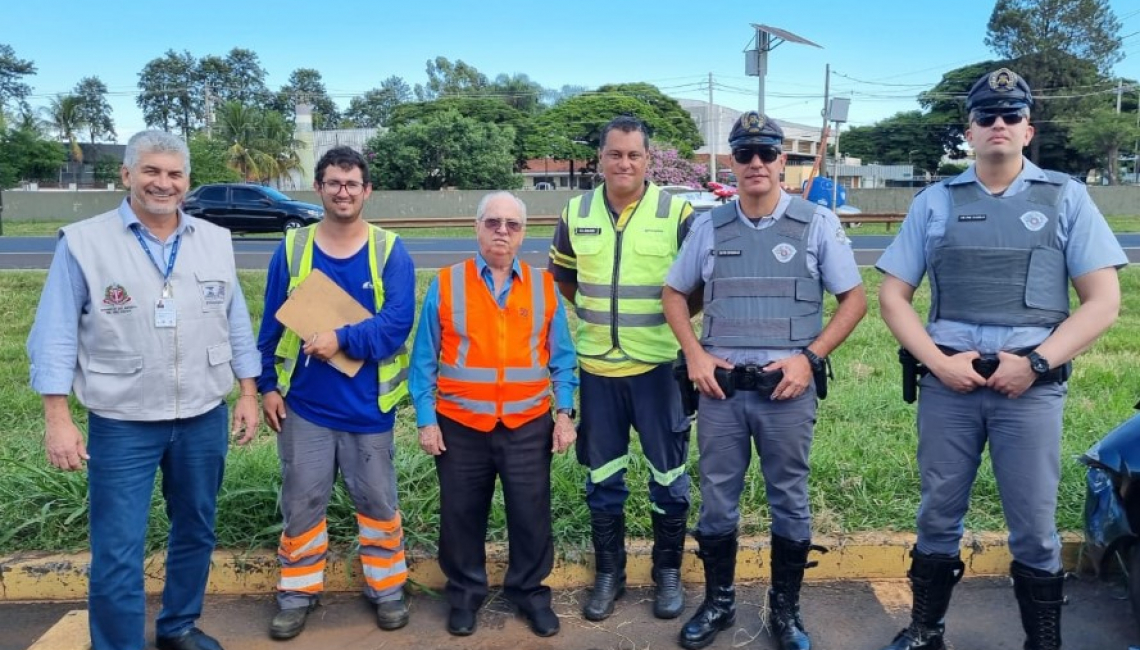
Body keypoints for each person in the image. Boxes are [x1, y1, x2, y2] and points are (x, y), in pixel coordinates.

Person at [875, 68, 1127, 650]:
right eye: (986, 116)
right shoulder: (935, 202)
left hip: (1029, 389)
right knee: (938, 512)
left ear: (1027, 129)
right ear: (969, 131)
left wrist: (1034, 363)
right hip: (950, 386)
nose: (998, 125)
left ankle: (1043, 642)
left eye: (1010, 116)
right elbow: (893, 295)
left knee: (1035, 525)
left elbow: (1103, 302)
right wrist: (938, 364)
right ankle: (925, 629)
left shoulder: (1066, 197)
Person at [27, 130, 261, 650]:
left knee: (196, 530)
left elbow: (235, 323)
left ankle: (178, 626)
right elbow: (55, 334)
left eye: (175, 174)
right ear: (127, 175)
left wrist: (247, 391)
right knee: (117, 548)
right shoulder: (84, 243)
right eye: (151, 171)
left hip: (202, 415)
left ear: (187, 182)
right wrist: (57, 417)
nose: (164, 183)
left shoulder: (214, 240)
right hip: (122, 421)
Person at [662, 111, 866, 650]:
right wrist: (695, 355)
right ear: (732, 161)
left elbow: (855, 300)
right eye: (745, 153)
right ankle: (720, 603)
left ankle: (786, 612)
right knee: (718, 502)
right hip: (722, 390)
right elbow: (674, 294)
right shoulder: (709, 224)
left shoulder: (816, 222)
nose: (756, 163)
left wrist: (810, 358)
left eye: (767, 153)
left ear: (782, 161)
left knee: (790, 501)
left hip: (786, 391)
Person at [256, 146, 416, 640]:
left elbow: (396, 326)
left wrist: (340, 340)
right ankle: (297, 593)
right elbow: (270, 322)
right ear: (319, 189)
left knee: (378, 504)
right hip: (305, 408)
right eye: (333, 183)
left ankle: (387, 589)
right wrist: (266, 385)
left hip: (369, 408)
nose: (342, 191)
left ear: (366, 191)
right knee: (302, 502)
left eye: (351, 183)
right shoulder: (292, 249)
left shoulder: (390, 250)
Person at [410, 191, 579, 638]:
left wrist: (564, 414)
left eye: (512, 224)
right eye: (493, 222)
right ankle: (465, 595)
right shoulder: (446, 284)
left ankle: (528, 593)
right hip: (461, 426)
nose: (502, 231)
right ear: (477, 228)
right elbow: (423, 360)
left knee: (531, 516)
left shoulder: (544, 287)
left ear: (524, 234)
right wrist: (426, 419)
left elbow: (562, 358)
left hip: (527, 425)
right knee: (461, 516)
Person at [547, 115, 696, 622]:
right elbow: (563, 277)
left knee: (669, 475)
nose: (624, 162)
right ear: (601, 159)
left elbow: (697, 286)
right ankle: (609, 574)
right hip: (597, 370)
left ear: (648, 159)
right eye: (615, 153)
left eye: (634, 154)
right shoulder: (577, 211)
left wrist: (670, 325)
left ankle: (667, 573)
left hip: (658, 368)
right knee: (602, 477)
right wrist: (594, 318)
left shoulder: (677, 214)